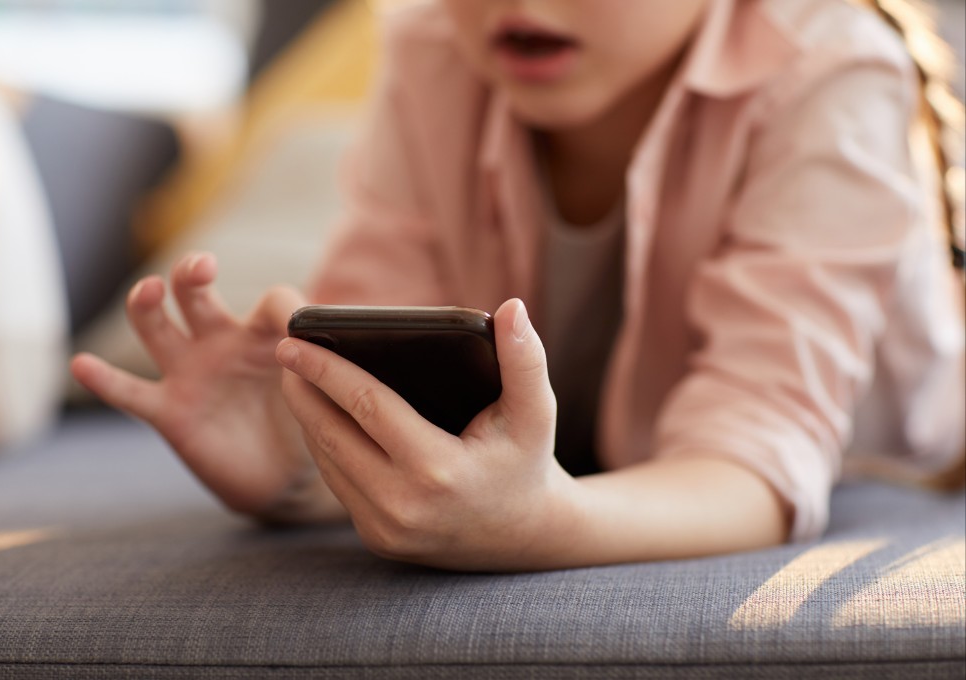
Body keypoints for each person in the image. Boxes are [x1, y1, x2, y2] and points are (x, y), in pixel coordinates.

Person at [71, 0, 965, 572]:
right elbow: (397, 368)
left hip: (853, 461)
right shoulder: (433, 42)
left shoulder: (833, 68)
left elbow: (757, 464)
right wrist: (300, 462)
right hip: (582, 450)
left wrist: (546, 524)